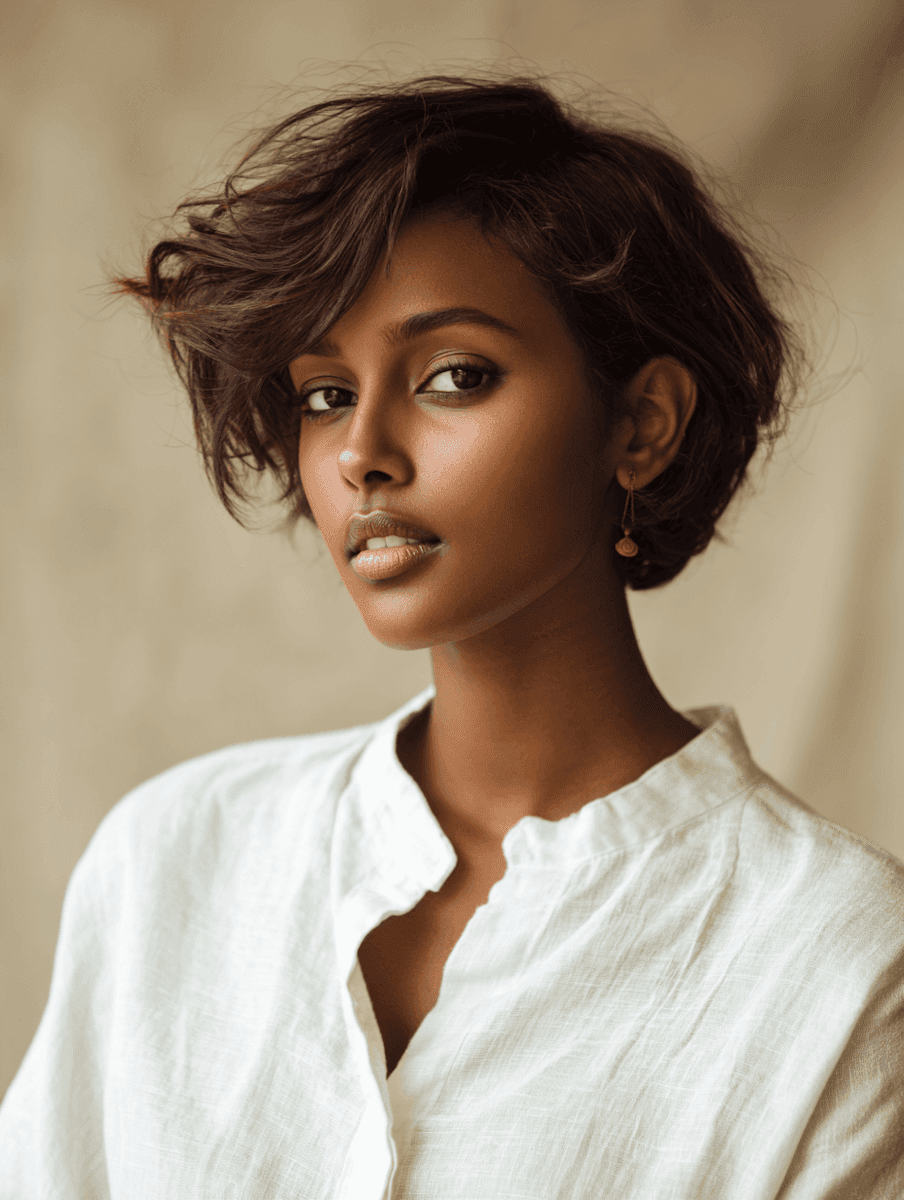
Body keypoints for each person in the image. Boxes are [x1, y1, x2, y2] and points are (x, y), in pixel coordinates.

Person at [1, 72, 902, 1199]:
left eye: (453, 376)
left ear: (641, 425)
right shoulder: (173, 862)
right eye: (324, 394)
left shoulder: (835, 959)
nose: (360, 453)